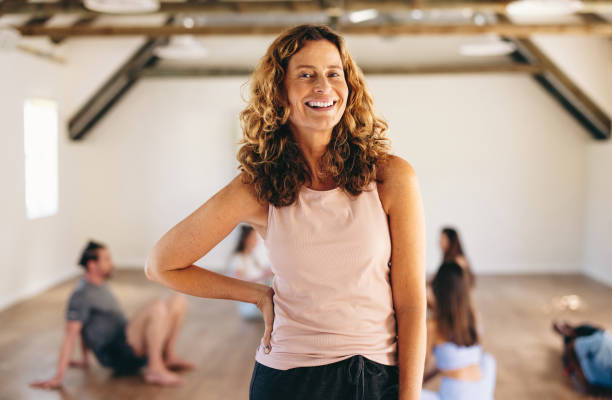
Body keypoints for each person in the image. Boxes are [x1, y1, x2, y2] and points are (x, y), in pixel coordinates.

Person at [145, 24, 426, 400]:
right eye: (306, 75)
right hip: (288, 379)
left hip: (374, 376)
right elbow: (162, 264)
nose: (323, 87)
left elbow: (410, 304)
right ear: (280, 92)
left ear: (349, 86)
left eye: (333, 74)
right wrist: (258, 296)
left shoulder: (391, 176)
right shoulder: (257, 187)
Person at [30, 240, 193, 390]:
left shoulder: (100, 285)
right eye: (106, 260)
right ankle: (155, 369)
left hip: (128, 341)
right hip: (119, 352)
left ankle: (168, 356)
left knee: (178, 300)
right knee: (156, 306)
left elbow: (84, 328)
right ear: (92, 264)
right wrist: (58, 377)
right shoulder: (81, 295)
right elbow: (71, 334)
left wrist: (85, 360)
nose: (112, 263)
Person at [421, 262, 496, 400]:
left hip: (457, 394)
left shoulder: (433, 326)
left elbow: (418, 370)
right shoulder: (473, 316)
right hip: (483, 391)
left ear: (439, 290)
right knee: (488, 359)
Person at [226, 225, 273, 319]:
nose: (256, 240)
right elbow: (238, 282)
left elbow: (262, 272)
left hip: (259, 299)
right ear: (245, 239)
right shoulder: (238, 258)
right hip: (250, 305)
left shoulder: (253, 256)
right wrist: (263, 276)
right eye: (253, 237)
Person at [552, 320, 612, 394]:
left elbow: (602, 334)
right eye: (558, 329)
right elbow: (567, 359)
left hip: (600, 347)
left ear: (567, 324)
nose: (562, 329)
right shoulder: (567, 341)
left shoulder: (582, 328)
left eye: (562, 326)